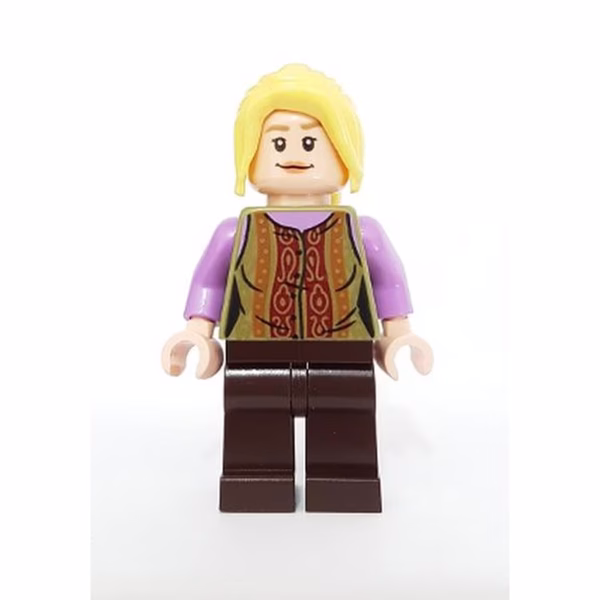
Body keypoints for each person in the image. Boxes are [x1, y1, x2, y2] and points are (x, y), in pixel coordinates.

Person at [161, 64, 433, 513]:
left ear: (344, 153)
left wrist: (399, 337)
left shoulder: (362, 231)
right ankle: (255, 482)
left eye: (310, 142)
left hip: (344, 350)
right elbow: (209, 282)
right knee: (253, 415)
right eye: (276, 141)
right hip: (254, 350)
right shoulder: (235, 232)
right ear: (249, 154)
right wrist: (197, 334)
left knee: (346, 413)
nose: (293, 154)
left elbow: (387, 282)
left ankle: (344, 482)